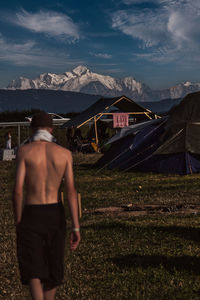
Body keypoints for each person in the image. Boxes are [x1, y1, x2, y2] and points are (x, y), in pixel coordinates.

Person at [12, 111, 80, 300]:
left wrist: (18, 220)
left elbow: (17, 190)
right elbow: (71, 191)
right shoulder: (64, 154)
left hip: (32, 212)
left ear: (32, 128)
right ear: (51, 129)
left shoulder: (24, 151)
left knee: (33, 267)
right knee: (53, 266)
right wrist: (75, 225)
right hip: (54, 212)